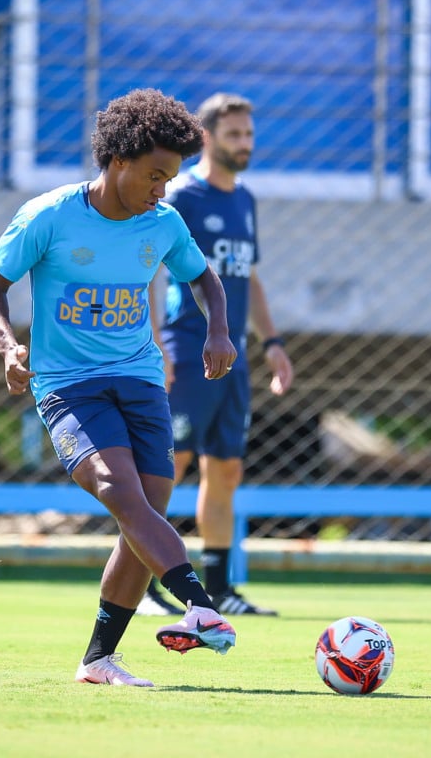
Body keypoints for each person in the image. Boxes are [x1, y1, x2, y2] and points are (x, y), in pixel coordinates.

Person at [0, 88, 239, 688]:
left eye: (169, 178)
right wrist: (9, 346)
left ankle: (98, 660)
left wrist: (217, 332)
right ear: (118, 160)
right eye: (153, 175)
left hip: (140, 379)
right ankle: (201, 604)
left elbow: (206, 281)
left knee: (144, 512)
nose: (162, 190)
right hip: (68, 384)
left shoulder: (164, 223)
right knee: (122, 493)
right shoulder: (49, 216)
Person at [138, 93, 294, 618]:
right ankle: (141, 582)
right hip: (188, 347)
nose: (245, 144)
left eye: (249, 134)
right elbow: (151, 269)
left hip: (234, 357)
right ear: (207, 138)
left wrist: (271, 343)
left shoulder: (244, 200)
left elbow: (247, 274)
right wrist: (156, 342)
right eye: (234, 135)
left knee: (224, 472)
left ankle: (221, 586)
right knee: (167, 467)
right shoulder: (182, 196)